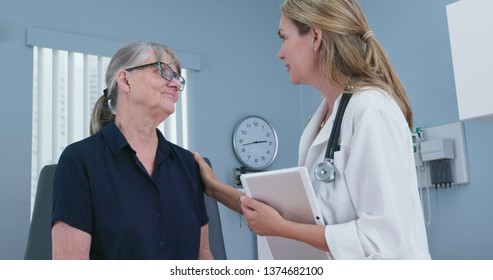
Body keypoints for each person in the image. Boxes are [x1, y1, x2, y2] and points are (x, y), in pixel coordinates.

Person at [194, 0, 430, 259]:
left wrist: (284, 229)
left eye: (283, 38)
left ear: (315, 36)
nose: (280, 53)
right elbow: (299, 213)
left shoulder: (371, 110)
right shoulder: (320, 121)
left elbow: (383, 240)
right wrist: (214, 188)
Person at [52, 41, 213, 260]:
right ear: (125, 81)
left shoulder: (188, 164)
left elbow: (203, 257)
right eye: (164, 71)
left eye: (177, 77)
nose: (175, 84)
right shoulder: (80, 161)